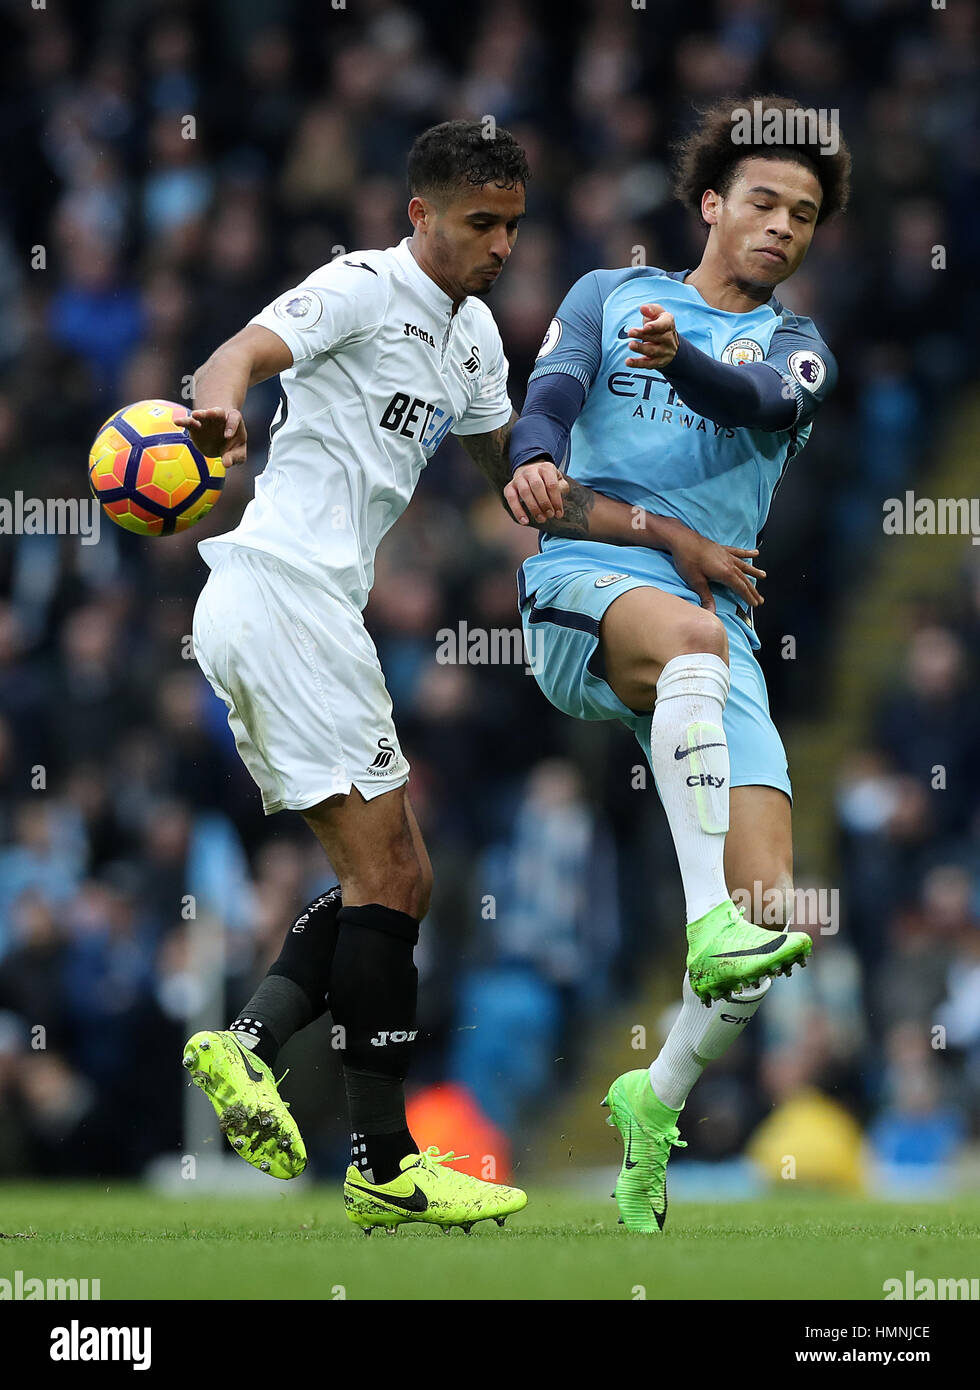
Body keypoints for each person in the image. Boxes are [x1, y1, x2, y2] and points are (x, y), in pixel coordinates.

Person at [175, 120, 755, 1234]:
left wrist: (663, 536)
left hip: (307, 617)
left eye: (512, 227)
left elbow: (525, 483)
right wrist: (217, 407)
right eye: (479, 224)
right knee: (393, 880)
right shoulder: (357, 286)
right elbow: (238, 353)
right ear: (420, 218)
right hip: (277, 592)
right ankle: (376, 1155)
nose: (499, 245)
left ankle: (261, 1053)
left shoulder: (476, 339)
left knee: (391, 880)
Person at [506, 95, 851, 1232]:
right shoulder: (609, 295)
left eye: (800, 215)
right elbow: (546, 400)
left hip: (713, 626)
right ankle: (703, 916)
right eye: (760, 202)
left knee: (770, 923)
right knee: (691, 642)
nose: (779, 227)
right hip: (583, 588)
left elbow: (744, 395)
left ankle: (650, 1102)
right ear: (709, 203)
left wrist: (684, 359)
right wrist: (536, 462)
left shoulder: (799, 351)